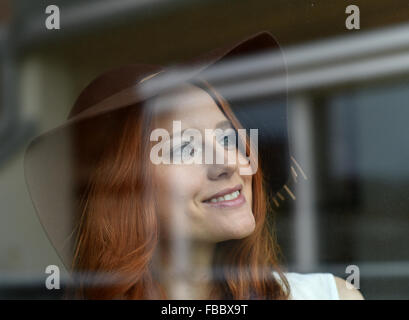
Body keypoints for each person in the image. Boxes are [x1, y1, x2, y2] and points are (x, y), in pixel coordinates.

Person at [24, 31, 363, 300]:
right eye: (184, 148)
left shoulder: (330, 297)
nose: (228, 163)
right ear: (124, 190)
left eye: (229, 138)